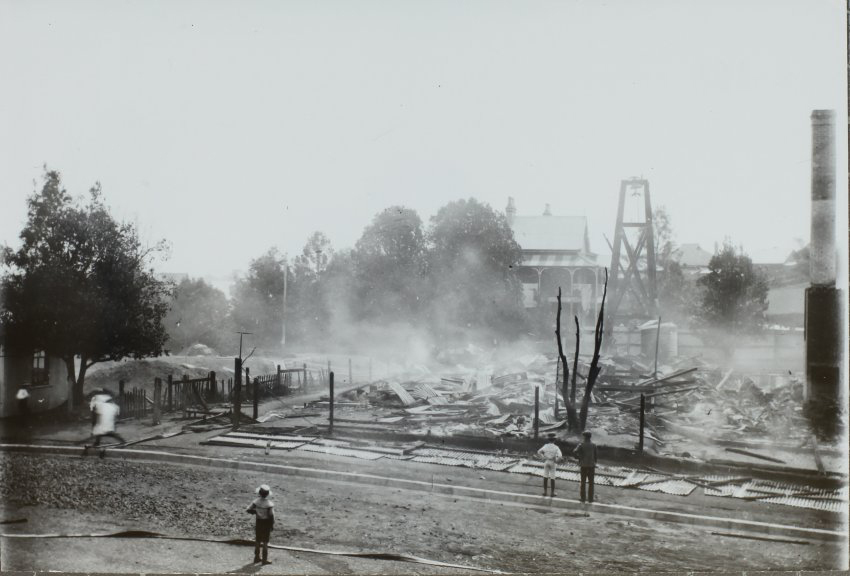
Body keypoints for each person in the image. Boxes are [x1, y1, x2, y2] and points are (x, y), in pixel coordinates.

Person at [246, 484, 275, 565]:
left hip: (258, 522)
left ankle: (256, 557)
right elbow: (271, 515)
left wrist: (256, 512)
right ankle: (264, 560)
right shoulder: (269, 504)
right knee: (265, 542)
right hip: (266, 523)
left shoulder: (256, 502)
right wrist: (272, 524)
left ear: (259, 493)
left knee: (258, 540)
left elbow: (248, 509)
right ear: (267, 494)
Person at [573, 430, 598, 503]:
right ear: (590, 437)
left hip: (583, 465)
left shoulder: (581, 444)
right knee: (591, 483)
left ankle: (583, 498)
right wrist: (594, 462)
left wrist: (578, 458)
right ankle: (590, 499)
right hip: (591, 466)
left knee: (583, 482)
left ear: (584, 437)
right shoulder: (594, 445)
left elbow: (574, 452)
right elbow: (596, 456)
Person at [536, 432, 562, 497]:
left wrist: (543, 457)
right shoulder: (556, 447)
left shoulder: (545, 446)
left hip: (547, 461)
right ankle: (552, 493)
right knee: (552, 477)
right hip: (553, 462)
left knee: (545, 476)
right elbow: (560, 456)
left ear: (548, 439)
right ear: (555, 439)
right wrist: (556, 460)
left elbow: (538, 451)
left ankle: (545, 492)